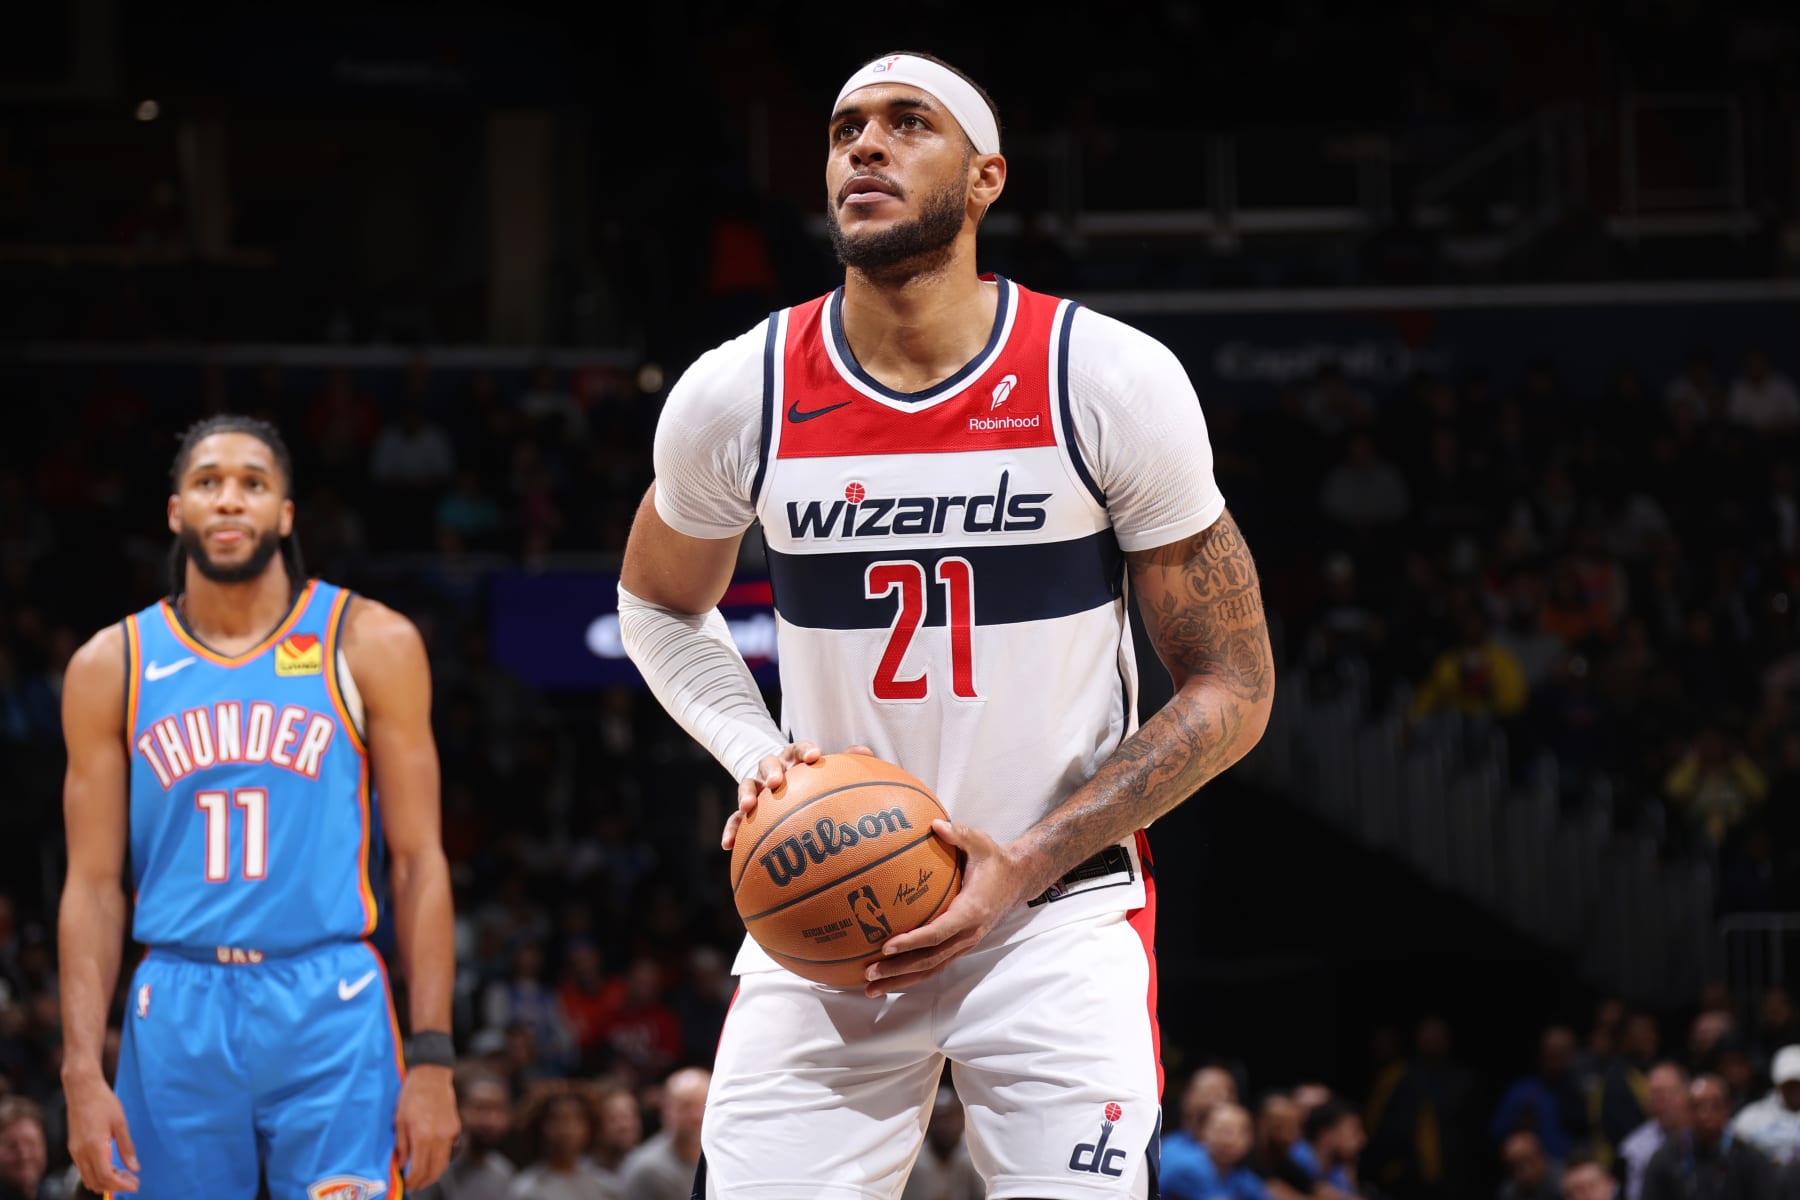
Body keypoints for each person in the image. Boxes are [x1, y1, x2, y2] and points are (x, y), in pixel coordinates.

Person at [617, 49, 1273, 1198]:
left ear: (986, 179)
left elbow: (1233, 685)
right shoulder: (741, 389)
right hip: (829, 916)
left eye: (907, 124)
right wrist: (761, 762)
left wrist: (1023, 863)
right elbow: (657, 602)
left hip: (1056, 914)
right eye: (843, 129)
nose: (863, 146)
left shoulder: (1105, 377)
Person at [56, 415, 461, 1196]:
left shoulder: (369, 641)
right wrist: (80, 1069)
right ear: (177, 512)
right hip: (176, 1001)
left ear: (285, 513)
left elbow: (418, 863)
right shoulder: (113, 664)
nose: (229, 500)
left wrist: (435, 1057)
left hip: (330, 999)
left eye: (253, 483)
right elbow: (92, 885)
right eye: (207, 483)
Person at [1641, 1076, 1776, 1200]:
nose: (1705, 1115)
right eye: (1697, 1106)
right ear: (1687, 1110)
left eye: (1714, 1106)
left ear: (1727, 1109)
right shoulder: (1665, 1158)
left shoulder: (1751, 1160)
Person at [414, 1067, 517, 1200]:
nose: (491, 1121)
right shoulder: (433, 1169)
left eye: (499, 1110)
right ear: (458, 1108)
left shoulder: (504, 1173)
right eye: (481, 1109)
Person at [620, 1068, 708, 1200]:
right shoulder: (648, 1169)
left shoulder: (723, 1158)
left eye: (703, 1105)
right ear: (666, 1110)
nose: (696, 1116)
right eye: (686, 1106)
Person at [1619, 1063, 1690, 1200]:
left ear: (1687, 1093)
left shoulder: (1713, 1133)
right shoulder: (1633, 1149)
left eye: (1668, 1094)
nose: (1661, 1102)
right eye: (1654, 1096)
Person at [1731, 1045, 1800, 1167]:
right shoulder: (1751, 1118)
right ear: (1778, 1083)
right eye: (1789, 1084)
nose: (1795, 1090)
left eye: (1798, 1084)